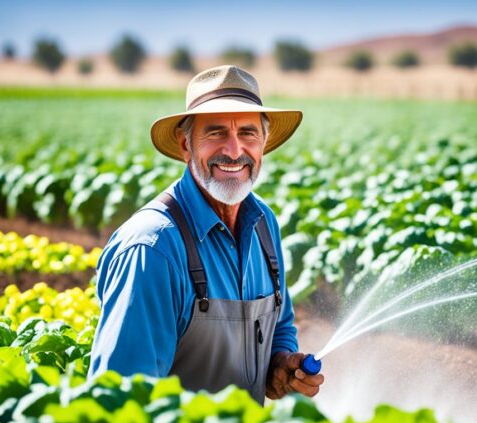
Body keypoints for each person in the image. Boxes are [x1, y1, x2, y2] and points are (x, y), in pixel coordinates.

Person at [89, 65, 324, 403]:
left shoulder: (264, 224)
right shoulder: (152, 249)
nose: (233, 151)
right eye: (215, 133)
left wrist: (278, 365)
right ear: (186, 145)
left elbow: (280, 326)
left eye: (247, 133)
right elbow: (120, 398)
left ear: (264, 143)